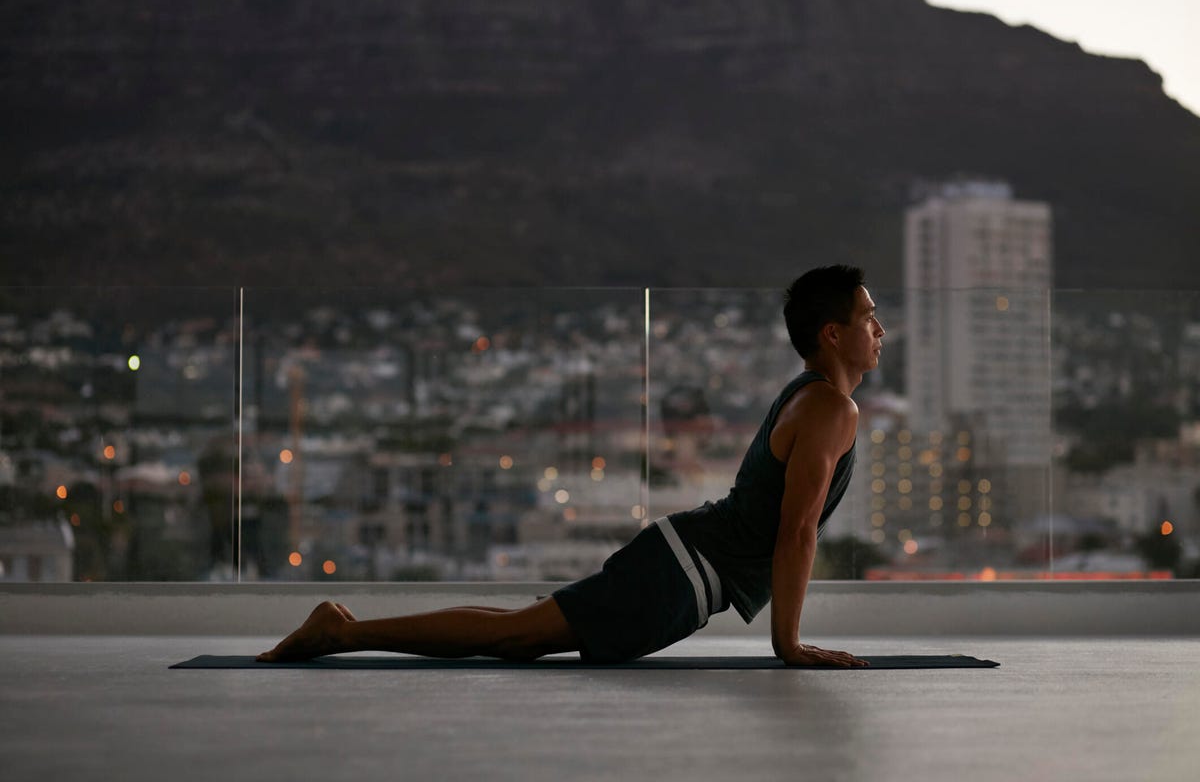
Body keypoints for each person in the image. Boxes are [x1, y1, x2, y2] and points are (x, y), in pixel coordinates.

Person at [258, 265, 884, 667]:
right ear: (832, 334)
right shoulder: (830, 406)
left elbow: (789, 526)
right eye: (868, 318)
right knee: (515, 638)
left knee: (517, 631)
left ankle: (343, 628)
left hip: (682, 561)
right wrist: (789, 646)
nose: (880, 330)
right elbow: (796, 530)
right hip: (683, 572)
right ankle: (342, 633)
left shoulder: (813, 396)